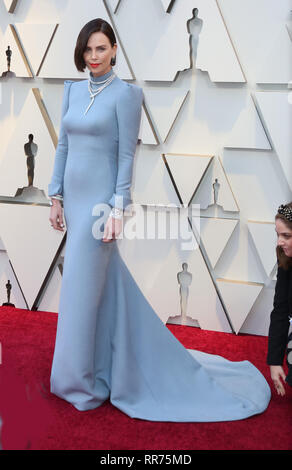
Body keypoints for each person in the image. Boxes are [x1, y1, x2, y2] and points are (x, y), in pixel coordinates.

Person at [48, 18, 270, 422]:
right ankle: (101, 365)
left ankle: (78, 383)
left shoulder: (126, 96)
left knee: (80, 291)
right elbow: (63, 145)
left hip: (100, 206)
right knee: (103, 290)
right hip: (74, 203)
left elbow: (127, 158)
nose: (93, 57)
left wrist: (118, 209)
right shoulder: (72, 91)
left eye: (100, 49)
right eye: (87, 50)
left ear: (114, 49)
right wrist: (55, 196)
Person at [267, 203, 292, 396]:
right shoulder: (284, 256)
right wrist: (275, 361)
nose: (279, 242)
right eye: (277, 234)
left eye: (286, 236)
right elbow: (280, 309)